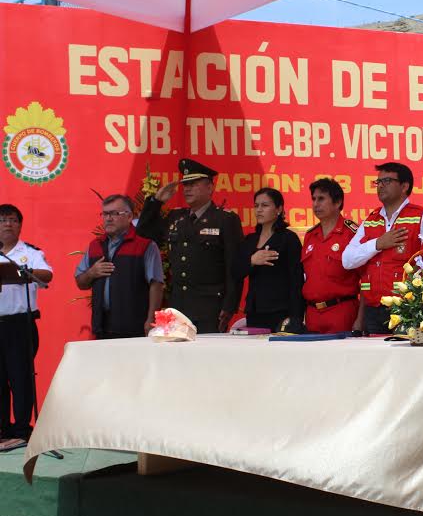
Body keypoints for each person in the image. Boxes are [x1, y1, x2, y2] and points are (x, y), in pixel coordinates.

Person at [136, 158, 244, 333]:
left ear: (210, 187)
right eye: (185, 184)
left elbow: (233, 267)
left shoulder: (225, 220)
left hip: (211, 308)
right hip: (179, 306)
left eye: (193, 184)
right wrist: (156, 202)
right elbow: (143, 233)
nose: (187, 188)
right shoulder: (177, 217)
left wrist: (229, 306)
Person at [342, 162, 423, 334]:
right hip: (373, 309)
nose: (380, 186)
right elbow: (347, 260)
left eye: (387, 181)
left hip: (408, 308)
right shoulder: (371, 219)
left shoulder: (422, 216)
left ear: (404, 186)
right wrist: (377, 244)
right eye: (378, 182)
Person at [0, 204, 53, 450]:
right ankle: (2, 430)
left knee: (20, 378)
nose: (7, 224)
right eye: (3, 220)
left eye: (12, 220)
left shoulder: (29, 253)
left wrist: (24, 272)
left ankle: (21, 430)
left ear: (20, 225)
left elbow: (46, 275)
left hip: (19, 325)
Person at [74, 194, 164, 338]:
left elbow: (156, 284)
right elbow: (80, 283)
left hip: (135, 326)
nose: (108, 218)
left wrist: (151, 320)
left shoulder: (145, 246)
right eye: (105, 214)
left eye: (115, 214)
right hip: (102, 326)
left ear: (129, 217)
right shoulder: (95, 245)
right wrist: (91, 273)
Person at [232, 188, 304, 332]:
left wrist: (296, 317)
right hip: (254, 311)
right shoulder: (250, 240)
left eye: (264, 205)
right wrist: (251, 260)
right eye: (256, 205)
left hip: (281, 312)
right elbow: (235, 271)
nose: (259, 210)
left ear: (279, 209)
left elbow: (297, 281)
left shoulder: (288, 238)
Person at [301, 178, 364, 333]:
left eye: (321, 199)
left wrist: (361, 319)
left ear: (337, 202)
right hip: (312, 314)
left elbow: (367, 282)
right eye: (314, 199)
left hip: (341, 311)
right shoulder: (310, 236)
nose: (316, 204)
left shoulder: (352, 234)